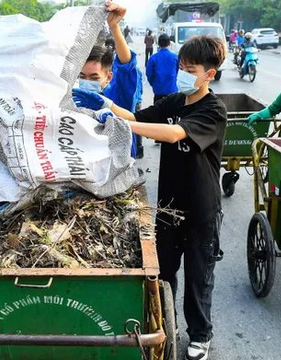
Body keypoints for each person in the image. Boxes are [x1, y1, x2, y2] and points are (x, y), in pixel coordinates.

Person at [73, 35, 228, 360]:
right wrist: (107, 106)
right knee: (163, 272)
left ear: (209, 74)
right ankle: (162, 326)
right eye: (181, 66)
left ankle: (200, 334)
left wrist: (121, 125)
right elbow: (137, 118)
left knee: (198, 279)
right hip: (169, 208)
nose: (183, 73)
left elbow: (173, 133)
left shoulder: (213, 110)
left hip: (201, 210)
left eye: (190, 69)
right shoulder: (173, 101)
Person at [74, 0, 143, 158]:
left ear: (108, 77)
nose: (87, 82)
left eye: (94, 77)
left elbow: (127, 66)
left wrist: (114, 27)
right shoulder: (75, 96)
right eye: (82, 76)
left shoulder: (118, 95)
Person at [146, 33, 178, 103]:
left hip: (158, 92)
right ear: (169, 43)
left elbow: (149, 74)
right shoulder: (175, 57)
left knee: (158, 113)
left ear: (158, 43)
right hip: (172, 91)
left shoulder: (153, 58)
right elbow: (178, 71)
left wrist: (154, 84)